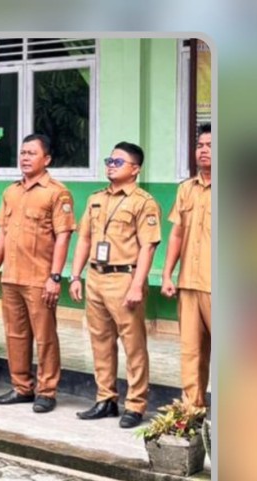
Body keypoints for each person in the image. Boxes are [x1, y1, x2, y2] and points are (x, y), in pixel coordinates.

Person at [68, 142, 162, 429]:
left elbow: (148, 247)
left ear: (135, 169)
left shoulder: (143, 202)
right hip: (96, 277)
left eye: (118, 162)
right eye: (109, 159)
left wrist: (137, 285)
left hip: (124, 278)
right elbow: (84, 239)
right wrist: (75, 275)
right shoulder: (97, 199)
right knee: (100, 341)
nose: (110, 164)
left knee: (133, 345)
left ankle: (135, 404)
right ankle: (105, 399)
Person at [0, 134, 76, 413]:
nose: (24, 157)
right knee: (15, 334)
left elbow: (63, 237)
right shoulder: (11, 191)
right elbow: (2, 231)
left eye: (31, 153)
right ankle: (21, 387)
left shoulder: (57, 193)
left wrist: (55, 277)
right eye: (22, 152)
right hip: (11, 276)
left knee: (45, 336)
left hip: (40, 278)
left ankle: (47, 391)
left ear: (46, 159)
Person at [161, 124, 212, 409]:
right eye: (200, 145)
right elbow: (177, 234)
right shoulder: (185, 190)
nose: (204, 150)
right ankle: (192, 409)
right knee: (191, 352)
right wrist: (168, 274)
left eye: (211, 145)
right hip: (189, 284)